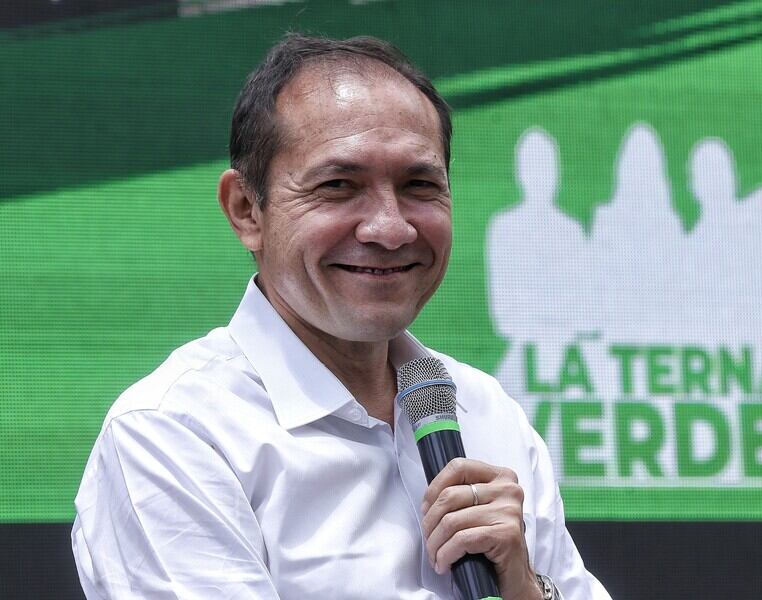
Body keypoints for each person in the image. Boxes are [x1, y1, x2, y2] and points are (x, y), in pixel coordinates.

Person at [71, 34, 610, 600]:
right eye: (338, 186)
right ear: (246, 210)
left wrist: (525, 587)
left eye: (419, 185)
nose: (390, 227)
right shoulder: (174, 434)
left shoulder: (487, 411)